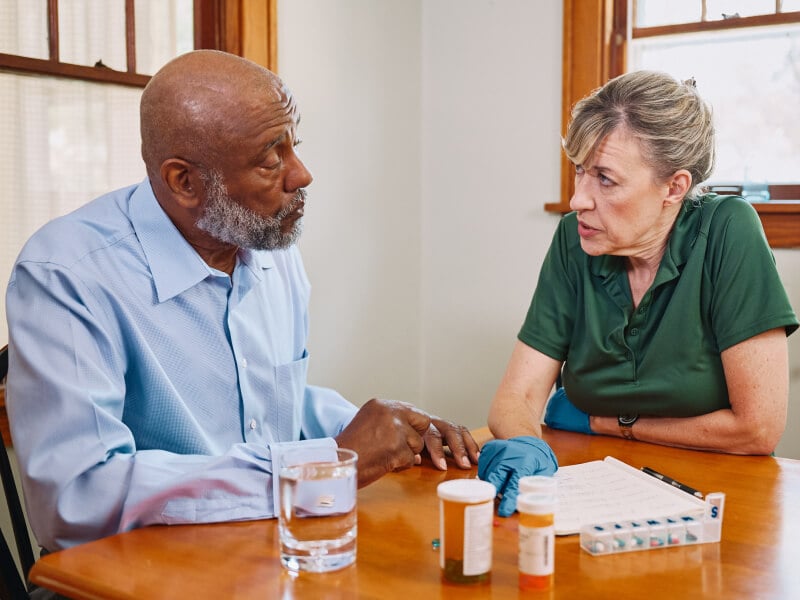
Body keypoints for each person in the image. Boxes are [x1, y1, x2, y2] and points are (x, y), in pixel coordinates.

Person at [5, 50, 479, 553]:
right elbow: (76, 500)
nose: (301, 175)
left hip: (266, 549)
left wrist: (375, 429)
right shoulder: (68, 274)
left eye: (295, 148)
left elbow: (264, 405)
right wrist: (322, 466)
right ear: (183, 182)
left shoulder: (267, 247)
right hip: (140, 572)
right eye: (270, 159)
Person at [478, 70, 798, 517]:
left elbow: (757, 429)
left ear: (674, 187)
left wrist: (608, 423)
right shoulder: (575, 239)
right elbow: (518, 397)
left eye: (605, 179)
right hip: (590, 483)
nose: (578, 200)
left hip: (716, 497)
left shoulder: (728, 230)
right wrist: (529, 444)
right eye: (580, 171)